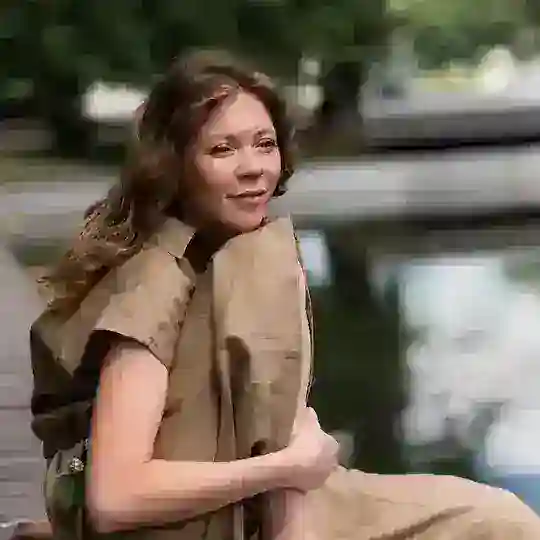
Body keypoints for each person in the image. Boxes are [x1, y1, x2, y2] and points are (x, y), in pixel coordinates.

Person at [28, 49, 540, 540]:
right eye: (223, 149)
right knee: (503, 523)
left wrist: (293, 453)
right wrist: (284, 467)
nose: (254, 167)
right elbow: (116, 496)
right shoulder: (157, 282)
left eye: (264, 144)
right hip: (229, 512)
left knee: (493, 515)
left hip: (254, 501)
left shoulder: (223, 258)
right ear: (175, 164)